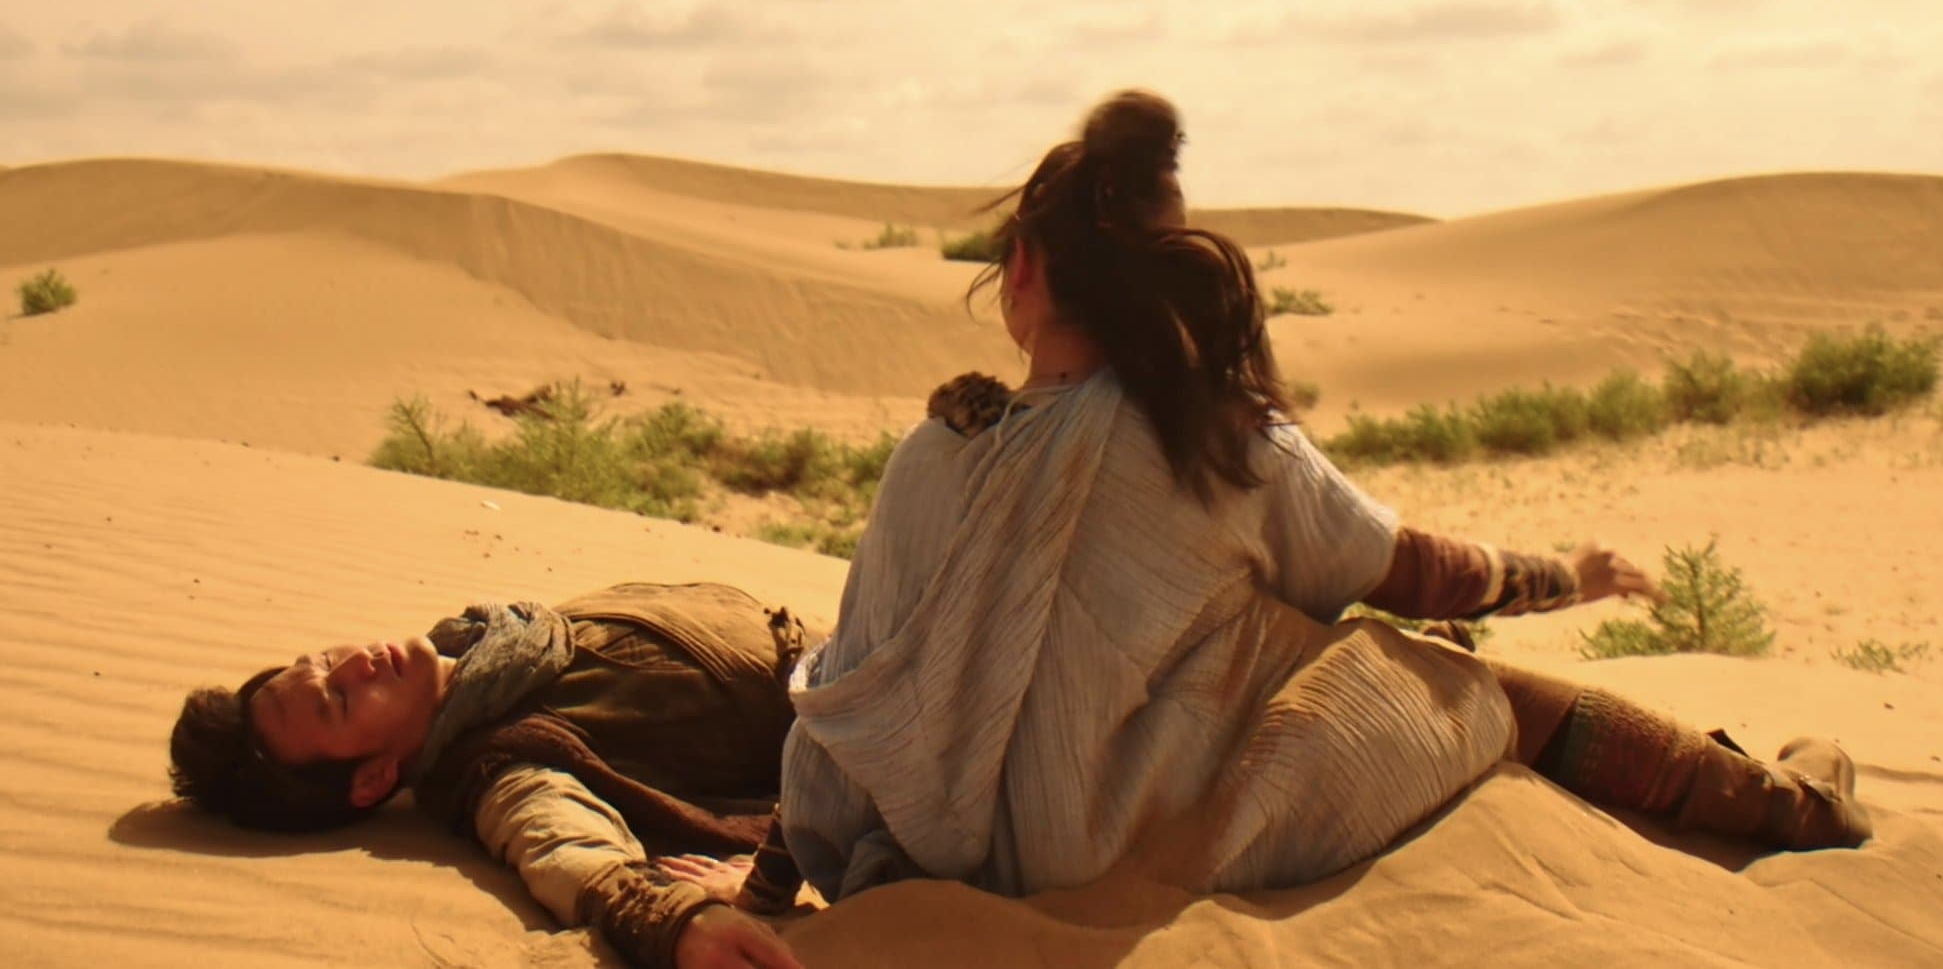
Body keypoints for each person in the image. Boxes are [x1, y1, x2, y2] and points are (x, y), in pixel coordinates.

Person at [765, 89, 1872, 908]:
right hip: (1140, 844)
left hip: (949, 859)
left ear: (1020, 269)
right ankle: (1787, 806)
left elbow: (851, 697)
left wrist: (768, 881)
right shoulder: (1220, 441)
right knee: (1447, 679)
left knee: (1271, 635)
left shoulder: (928, 456)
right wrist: (1561, 577)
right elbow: (1408, 570)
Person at [168, 581, 816, 969]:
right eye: (338, 700)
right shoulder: (497, 764)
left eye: (319, 659)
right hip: (861, 730)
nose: (353, 663)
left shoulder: (502, 644)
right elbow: (563, 849)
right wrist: (674, 920)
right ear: (372, 779)